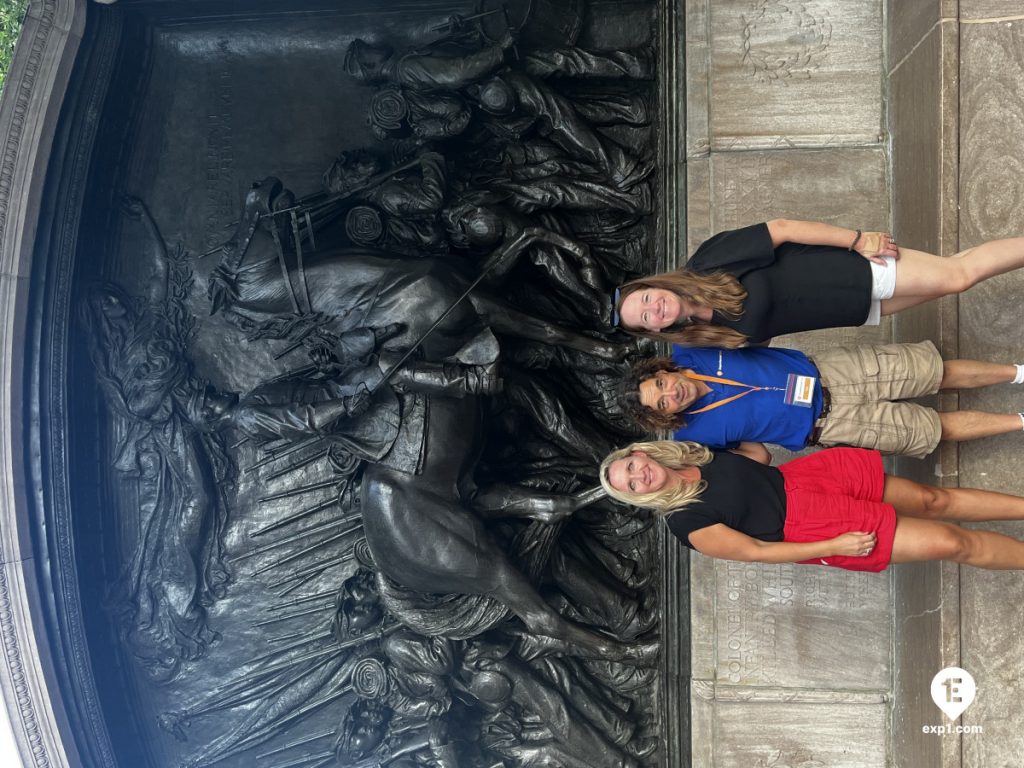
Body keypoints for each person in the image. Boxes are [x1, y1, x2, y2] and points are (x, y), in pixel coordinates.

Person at [599, 441, 1024, 573]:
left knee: (935, 499)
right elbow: (758, 552)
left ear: (641, 454)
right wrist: (835, 542)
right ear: (637, 497)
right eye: (631, 485)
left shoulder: (693, 454)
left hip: (809, 478)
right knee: (952, 542)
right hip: (809, 523)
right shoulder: (684, 523)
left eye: (633, 467)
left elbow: (759, 460)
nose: (640, 476)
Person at [614, 219, 1024, 347]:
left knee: (958, 276)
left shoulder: (707, 261)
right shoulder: (707, 335)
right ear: (656, 329)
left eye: (647, 298)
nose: (655, 308)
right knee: (954, 271)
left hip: (852, 271)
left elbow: (783, 228)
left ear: (654, 285)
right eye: (647, 317)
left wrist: (858, 241)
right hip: (856, 309)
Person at [621, 341, 1024, 458]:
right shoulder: (698, 432)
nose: (670, 394)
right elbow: (758, 457)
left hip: (832, 371)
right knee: (933, 429)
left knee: (936, 370)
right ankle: (1020, 421)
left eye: (661, 385)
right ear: (664, 416)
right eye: (661, 404)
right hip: (831, 425)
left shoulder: (694, 347)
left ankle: (1018, 373)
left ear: (664, 370)